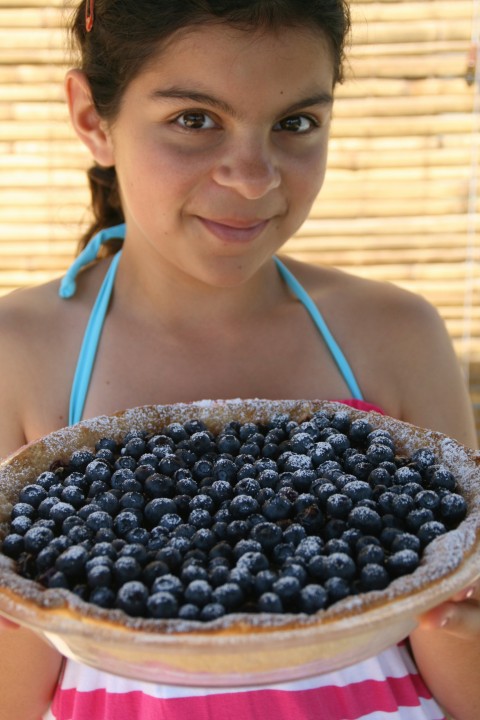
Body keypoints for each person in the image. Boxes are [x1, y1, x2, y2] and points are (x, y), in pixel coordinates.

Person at [0, 0, 479, 718]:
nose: (254, 177)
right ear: (94, 119)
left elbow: (459, 659)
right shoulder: (21, 351)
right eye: (195, 120)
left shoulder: (395, 333)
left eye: (295, 124)